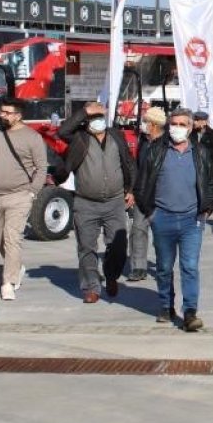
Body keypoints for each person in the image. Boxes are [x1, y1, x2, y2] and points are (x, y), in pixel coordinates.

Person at [135, 108, 213, 330]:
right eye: (174, 124)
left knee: (190, 267)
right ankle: (166, 305)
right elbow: (141, 183)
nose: (178, 128)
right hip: (162, 217)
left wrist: (206, 209)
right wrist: (150, 213)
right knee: (163, 266)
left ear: (191, 127)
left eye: (183, 124)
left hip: (192, 220)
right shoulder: (156, 150)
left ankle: (190, 312)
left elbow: (212, 182)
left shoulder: (200, 152)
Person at [58, 101, 135, 303]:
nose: (96, 120)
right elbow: (62, 131)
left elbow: (127, 162)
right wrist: (84, 111)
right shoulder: (79, 138)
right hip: (86, 202)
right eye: (92, 116)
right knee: (86, 246)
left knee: (118, 245)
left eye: (99, 116)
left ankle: (111, 275)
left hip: (115, 201)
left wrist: (131, 189)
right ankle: (91, 287)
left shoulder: (116, 136)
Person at [0, 97, 46, 300]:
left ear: (18, 115)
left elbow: (41, 167)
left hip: (19, 196)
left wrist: (33, 191)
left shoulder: (32, 137)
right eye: (1, 112)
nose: (2, 115)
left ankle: (8, 282)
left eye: (7, 113)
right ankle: (16, 266)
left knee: (11, 237)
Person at [127, 107, 168, 282]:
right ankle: (138, 267)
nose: (142, 125)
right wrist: (132, 190)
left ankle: (163, 266)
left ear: (153, 125)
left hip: (161, 197)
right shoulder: (143, 141)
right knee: (137, 230)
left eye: (145, 121)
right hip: (141, 194)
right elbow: (137, 166)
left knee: (161, 235)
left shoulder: (167, 143)